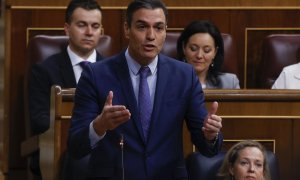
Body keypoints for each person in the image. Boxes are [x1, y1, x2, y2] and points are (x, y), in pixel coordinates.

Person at [68, 0, 223, 179]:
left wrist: (210, 135)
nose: (151, 36)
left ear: (165, 31)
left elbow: (207, 147)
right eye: (142, 27)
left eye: (158, 28)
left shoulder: (184, 75)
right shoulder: (95, 74)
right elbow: (75, 147)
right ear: (127, 29)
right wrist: (99, 126)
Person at [28, 0, 103, 177]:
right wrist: (87, 131)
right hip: (62, 149)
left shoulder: (114, 70)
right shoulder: (44, 70)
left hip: (107, 145)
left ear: (102, 31)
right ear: (67, 28)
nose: (89, 32)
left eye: (95, 26)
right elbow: (39, 120)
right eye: (82, 25)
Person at [176, 20, 240, 89]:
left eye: (207, 50)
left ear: (215, 52)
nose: (199, 55)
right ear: (184, 48)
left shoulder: (230, 83)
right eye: (193, 48)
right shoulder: (169, 81)